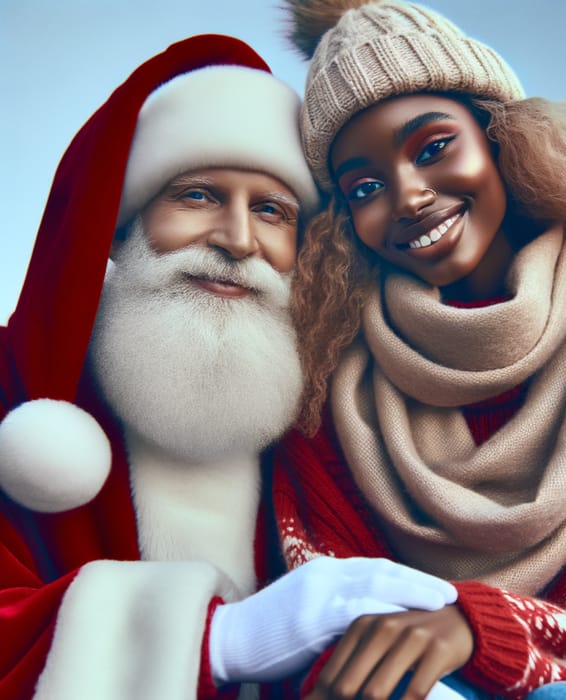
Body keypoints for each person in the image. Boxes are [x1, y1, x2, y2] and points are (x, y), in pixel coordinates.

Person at [0, 34, 461, 700]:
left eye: (272, 211)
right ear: (128, 225)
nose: (237, 240)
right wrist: (221, 639)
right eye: (197, 197)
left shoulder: (331, 410)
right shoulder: (17, 390)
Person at [271, 1, 566, 698]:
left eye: (433, 146)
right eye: (366, 187)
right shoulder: (321, 393)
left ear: (502, 139)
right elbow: (324, 617)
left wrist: (478, 624)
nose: (408, 196)